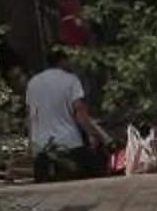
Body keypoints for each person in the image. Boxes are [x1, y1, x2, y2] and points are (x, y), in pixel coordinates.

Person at [25, 46, 111, 180]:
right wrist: (97, 136)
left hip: (42, 151)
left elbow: (30, 117)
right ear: (63, 60)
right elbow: (80, 115)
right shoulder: (71, 80)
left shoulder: (33, 83)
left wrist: (32, 145)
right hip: (70, 148)